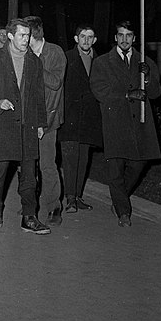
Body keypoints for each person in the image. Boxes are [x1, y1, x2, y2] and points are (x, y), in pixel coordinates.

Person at [0, 19, 49, 235]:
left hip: (28, 124)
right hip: (4, 122)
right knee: (0, 169)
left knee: (29, 173)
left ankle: (30, 216)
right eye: (22, 35)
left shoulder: (34, 61)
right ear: (10, 36)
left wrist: (41, 122)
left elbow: (38, 95)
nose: (26, 40)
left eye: (28, 36)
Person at [90, 20, 161, 227]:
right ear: (115, 38)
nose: (124, 39)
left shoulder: (144, 62)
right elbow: (99, 90)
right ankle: (123, 212)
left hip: (139, 123)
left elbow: (157, 93)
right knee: (115, 167)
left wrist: (147, 77)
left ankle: (119, 198)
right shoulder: (102, 62)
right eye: (121, 35)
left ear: (134, 38)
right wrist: (126, 94)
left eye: (128, 35)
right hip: (115, 121)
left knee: (138, 164)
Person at [23, 15, 66, 227]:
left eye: (25, 34)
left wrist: (36, 64)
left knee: (47, 165)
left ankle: (54, 206)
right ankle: (29, 204)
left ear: (33, 34)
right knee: (27, 164)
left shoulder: (55, 52)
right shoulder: (24, 53)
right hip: (28, 118)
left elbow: (56, 83)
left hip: (49, 118)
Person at [58, 24, 102, 214]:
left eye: (89, 37)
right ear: (76, 39)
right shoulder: (66, 58)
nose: (86, 40)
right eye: (82, 36)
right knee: (70, 158)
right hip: (70, 116)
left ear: (94, 40)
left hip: (89, 118)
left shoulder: (100, 61)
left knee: (83, 158)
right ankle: (69, 198)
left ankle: (77, 196)